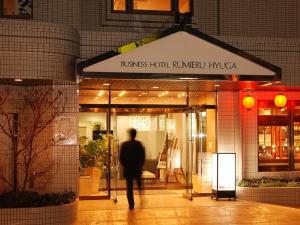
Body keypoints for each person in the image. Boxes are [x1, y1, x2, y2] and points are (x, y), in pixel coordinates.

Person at [120, 128, 145, 210]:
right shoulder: (139, 144)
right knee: (140, 185)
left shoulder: (125, 144)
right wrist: (140, 165)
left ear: (129, 134)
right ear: (135, 134)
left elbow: (121, 158)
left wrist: (125, 165)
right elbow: (143, 156)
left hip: (128, 169)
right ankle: (142, 200)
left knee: (129, 188)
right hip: (137, 168)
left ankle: (131, 205)